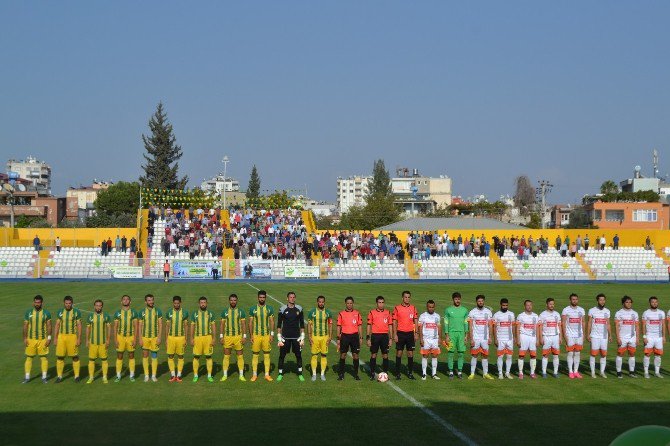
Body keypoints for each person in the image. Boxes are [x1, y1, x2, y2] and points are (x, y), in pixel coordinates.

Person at [276, 291, 305, 382]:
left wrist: (302, 337)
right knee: (282, 356)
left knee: (298, 355)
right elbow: (279, 324)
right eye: (290, 297)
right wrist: (279, 337)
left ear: (295, 298)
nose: (292, 299)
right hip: (285, 337)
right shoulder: (282, 309)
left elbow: (302, 324)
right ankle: (280, 374)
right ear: (287, 298)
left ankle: (300, 374)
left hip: (296, 337)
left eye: (293, 297)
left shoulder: (299, 309)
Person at [23, 295, 52, 383]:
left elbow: (49, 326)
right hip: (31, 339)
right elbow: (25, 326)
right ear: (33, 302)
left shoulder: (46, 313)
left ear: (42, 303)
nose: (37, 304)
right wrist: (25, 338)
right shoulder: (28, 312)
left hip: (42, 340)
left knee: (43, 358)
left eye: (38, 302)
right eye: (35, 302)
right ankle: (27, 377)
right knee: (29, 358)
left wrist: (49, 338)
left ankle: (44, 377)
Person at [54, 295, 82, 383]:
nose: (68, 305)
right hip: (61, 337)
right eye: (66, 303)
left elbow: (79, 325)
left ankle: (77, 376)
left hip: (72, 336)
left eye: (69, 303)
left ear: (72, 303)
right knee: (60, 356)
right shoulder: (60, 312)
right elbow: (57, 325)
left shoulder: (76, 312)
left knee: (75, 357)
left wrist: (79, 338)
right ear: (64, 303)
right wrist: (55, 338)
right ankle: (59, 376)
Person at [249, 290, 275, 382]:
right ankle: (254, 375)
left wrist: (272, 335)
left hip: (266, 336)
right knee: (255, 354)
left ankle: (267, 375)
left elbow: (272, 322)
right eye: (260, 297)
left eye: (263, 297)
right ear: (258, 298)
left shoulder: (270, 309)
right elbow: (251, 323)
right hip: (256, 335)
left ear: (265, 298)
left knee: (266, 355)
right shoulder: (253, 309)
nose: (262, 299)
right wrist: (251, 335)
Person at [220, 294, 247, 382]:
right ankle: (225, 375)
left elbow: (243, 324)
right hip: (227, 337)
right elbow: (222, 324)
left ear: (237, 301)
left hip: (238, 337)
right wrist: (221, 336)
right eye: (231, 300)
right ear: (229, 301)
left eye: (234, 300)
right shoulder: (224, 311)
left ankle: (241, 375)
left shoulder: (241, 311)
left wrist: (244, 336)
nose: (233, 302)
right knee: (226, 356)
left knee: (240, 356)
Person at [392, 290, 418, 380]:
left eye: (408, 297)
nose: (407, 299)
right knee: (399, 353)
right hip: (400, 333)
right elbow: (394, 322)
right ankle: (398, 373)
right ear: (402, 298)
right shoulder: (397, 308)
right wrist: (395, 334)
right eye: (405, 297)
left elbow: (415, 321)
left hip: (410, 333)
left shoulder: (413, 308)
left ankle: (410, 373)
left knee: (410, 353)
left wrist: (416, 333)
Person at [336, 296, 363, 380]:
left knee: (355, 355)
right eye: (348, 303)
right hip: (344, 336)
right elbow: (338, 326)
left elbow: (359, 326)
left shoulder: (357, 313)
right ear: (345, 304)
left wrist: (361, 337)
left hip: (354, 336)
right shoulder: (341, 314)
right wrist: (338, 338)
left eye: (351, 303)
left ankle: (356, 374)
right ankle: (341, 374)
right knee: (343, 355)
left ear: (353, 303)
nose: (349, 305)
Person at [190, 296, 216, 382]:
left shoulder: (210, 313)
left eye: (204, 302)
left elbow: (213, 326)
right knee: (196, 356)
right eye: (201, 302)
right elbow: (192, 326)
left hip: (208, 337)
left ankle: (209, 375)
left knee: (208, 356)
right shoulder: (195, 314)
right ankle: (196, 375)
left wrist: (214, 338)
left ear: (207, 303)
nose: (203, 304)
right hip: (197, 338)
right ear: (199, 303)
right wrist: (191, 338)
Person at [468, 295, 494, 379]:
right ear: (476, 302)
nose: (480, 302)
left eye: (482, 301)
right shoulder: (472, 312)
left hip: (485, 338)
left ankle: (485, 373)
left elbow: (490, 325)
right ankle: (472, 373)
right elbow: (470, 326)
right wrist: (471, 338)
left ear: (484, 302)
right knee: (474, 355)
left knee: (485, 355)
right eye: (479, 301)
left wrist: (490, 337)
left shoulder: (488, 312)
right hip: (475, 337)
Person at [366, 296, 392, 380]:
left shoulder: (388, 313)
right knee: (374, 354)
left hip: (384, 336)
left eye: (382, 302)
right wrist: (368, 338)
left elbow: (390, 325)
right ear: (376, 303)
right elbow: (369, 325)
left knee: (385, 355)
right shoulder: (372, 312)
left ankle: (385, 373)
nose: (381, 304)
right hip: (375, 336)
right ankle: (372, 373)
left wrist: (391, 338)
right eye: (379, 302)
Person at [113, 294, 138, 382]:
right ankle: (118, 375)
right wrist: (115, 339)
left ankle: (132, 375)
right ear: (121, 301)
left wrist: (135, 339)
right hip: (120, 337)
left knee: (131, 356)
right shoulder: (117, 313)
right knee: (119, 356)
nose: (126, 301)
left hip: (130, 337)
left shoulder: (134, 312)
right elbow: (115, 327)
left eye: (127, 299)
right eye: (124, 299)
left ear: (130, 302)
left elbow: (136, 326)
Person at [444, 292, 469, 379]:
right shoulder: (448, 310)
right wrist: (447, 335)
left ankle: (459, 371)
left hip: (461, 334)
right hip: (451, 334)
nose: (457, 301)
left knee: (461, 353)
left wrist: (466, 335)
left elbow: (466, 323)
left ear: (460, 299)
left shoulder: (465, 310)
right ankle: (451, 371)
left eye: (458, 299)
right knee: (450, 352)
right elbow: (446, 323)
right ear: (453, 300)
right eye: (456, 299)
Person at [307, 295, 332, 381]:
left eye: (322, 302)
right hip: (315, 337)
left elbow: (330, 325)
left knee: (324, 355)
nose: (321, 303)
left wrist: (330, 336)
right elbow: (309, 325)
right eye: (319, 302)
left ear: (324, 302)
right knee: (314, 355)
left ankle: (322, 374)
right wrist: (309, 336)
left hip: (325, 337)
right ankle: (314, 374)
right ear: (317, 302)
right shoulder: (312, 312)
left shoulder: (328, 312)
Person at [86, 299, 111, 384]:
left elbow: (109, 328)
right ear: (94, 306)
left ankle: (104, 377)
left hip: (102, 343)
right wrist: (87, 340)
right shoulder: (90, 316)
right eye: (97, 305)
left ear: (102, 306)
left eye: (100, 305)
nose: (98, 307)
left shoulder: (106, 316)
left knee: (104, 360)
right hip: (92, 343)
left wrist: (108, 340)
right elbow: (88, 329)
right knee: (91, 360)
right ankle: (91, 377)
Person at [561, 293, 586, 379]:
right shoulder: (566, 310)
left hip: (579, 335)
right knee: (570, 353)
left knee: (578, 353)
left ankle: (576, 371)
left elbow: (583, 322)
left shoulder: (581, 310)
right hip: (569, 335)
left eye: (576, 299)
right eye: (573, 299)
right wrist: (565, 335)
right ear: (570, 300)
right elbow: (563, 323)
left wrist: (583, 334)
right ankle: (570, 371)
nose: (575, 301)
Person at [139, 294, 162, 382]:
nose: (151, 302)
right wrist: (140, 338)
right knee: (145, 355)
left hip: (154, 337)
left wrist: (159, 337)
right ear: (145, 302)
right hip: (145, 337)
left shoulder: (158, 311)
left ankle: (153, 375)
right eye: (149, 300)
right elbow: (140, 325)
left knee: (154, 355)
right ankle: (146, 375)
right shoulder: (142, 312)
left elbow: (160, 324)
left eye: (152, 300)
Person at [614, 295, 639, 378]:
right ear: (623, 303)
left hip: (632, 337)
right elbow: (616, 326)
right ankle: (619, 372)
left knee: (632, 354)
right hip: (622, 337)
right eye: (627, 302)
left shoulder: (634, 313)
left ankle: (631, 372)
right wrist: (618, 337)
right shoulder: (619, 313)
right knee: (620, 354)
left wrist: (637, 338)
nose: (629, 304)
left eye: (630, 302)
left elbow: (637, 326)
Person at [587, 293, 611, 378]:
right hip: (594, 336)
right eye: (600, 300)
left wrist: (610, 335)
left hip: (604, 336)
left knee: (603, 354)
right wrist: (588, 334)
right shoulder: (592, 310)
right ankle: (593, 372)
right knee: (593, 354)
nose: (602, 301)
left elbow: (608, 324)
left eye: (603, 300)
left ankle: (602, 372)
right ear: (597, 301)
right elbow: (589, 323)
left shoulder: (607, 311)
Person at [165, 295, 189, 382]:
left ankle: (179, 375)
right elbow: (167, 326)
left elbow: (186, 326)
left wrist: (186, 338)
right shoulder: (169, 313)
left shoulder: (185, 313)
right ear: (173, 303)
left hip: (181, 338)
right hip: (171, 337)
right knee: (170, 356)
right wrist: (166, 338)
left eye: (178, 303)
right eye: (175, 303)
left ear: (180, 303)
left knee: (180, 356)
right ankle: (172, 375)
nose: (176, 305)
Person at [641, 296, 665, 378]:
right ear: (650, 303)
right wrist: (644, 337)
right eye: (652, 302)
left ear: (657, 303)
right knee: (647, 354)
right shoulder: (646, 313)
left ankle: (657, 372)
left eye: (656, 302)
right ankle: (646, 372)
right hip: (649, 337)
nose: (654, 303)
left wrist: (664, 336)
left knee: (658, 355)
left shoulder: (661, 313)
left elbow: (663, 325)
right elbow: (643, 325)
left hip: (659, 337)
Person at [418, 300, 442, 380]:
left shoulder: (437, 316)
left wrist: (440, 338)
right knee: (425, 356)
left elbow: (439, 327)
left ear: (434, 307)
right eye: (429, 307)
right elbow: (420, 328)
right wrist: (421, 339)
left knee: (435, 356)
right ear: (427, 307)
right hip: (426, 339)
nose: (431, 308)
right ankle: (424, 374)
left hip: (435, 339)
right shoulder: (423, 316)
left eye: (432, 307)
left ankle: (434, 374)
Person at [516, 299, 539, 379]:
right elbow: (518, 328)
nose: (529, 307)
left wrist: (538, 339)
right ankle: (521, 372)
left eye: (530, 305)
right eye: (527, 305)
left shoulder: (536, 316)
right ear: (525, 306)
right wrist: (518, 339)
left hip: (533, 337)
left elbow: (537, 328)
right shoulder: (520, 316)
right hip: (523, 337)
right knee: (521, 356)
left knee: (533, 355)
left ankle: (532, 373)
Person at [539, 298, 562, 378]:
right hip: (546, 337)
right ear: (547, 305)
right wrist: (541, 337)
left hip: (555, 336)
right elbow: (540, 327)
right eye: (550, 304)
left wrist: (560, 337)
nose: (552, 305)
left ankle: (555, 372)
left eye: (553, 304)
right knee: (545, 355)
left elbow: (559, 326)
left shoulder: (557, 314)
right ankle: (544, 372)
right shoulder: (542, 315)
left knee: (556, 355)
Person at [493, 298, 515, 380]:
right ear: (500, 305)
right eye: (503, 305)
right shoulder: (496, 315)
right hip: (500, 339)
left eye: (506, 305)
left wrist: (514, 337)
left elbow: (513, 326)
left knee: (509, 356)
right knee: (500, 356)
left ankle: (507, 373)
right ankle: (500, 373)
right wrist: (495, 339)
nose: (505, 307)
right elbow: (494, 327)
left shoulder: (511, 314)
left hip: (510, 339)